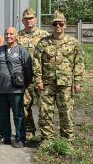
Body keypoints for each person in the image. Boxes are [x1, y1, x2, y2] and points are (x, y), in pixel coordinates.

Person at [34, 11, 85, 143]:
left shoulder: (73, 43)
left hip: (65, 84)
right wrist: (38, 80)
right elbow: (36, 62)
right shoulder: (43, 43)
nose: (58, 26)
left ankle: (66, 141)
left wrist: (78, 82)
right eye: (55, 24)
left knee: (66, 113)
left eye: (60, 24)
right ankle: (47, 140)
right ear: (51, 26)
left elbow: (78, 63)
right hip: (47, 84)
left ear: (65, 25)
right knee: (45, 113)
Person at [0, 27, 32, 147]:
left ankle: (20, 138)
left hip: (15, 89)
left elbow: (28, 71)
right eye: (6, 34)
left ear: (16, 36)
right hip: (1, 88)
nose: (8, 36)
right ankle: (5, 137)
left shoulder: (22, 50)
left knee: (18, 114)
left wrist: (23, 85)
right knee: (3, 114)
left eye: (11, 34)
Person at [18, 7, 49, 141]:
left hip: (41, 76)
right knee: (25, 105)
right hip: (25, 76)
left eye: (31, 18)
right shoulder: (18, 36)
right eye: (26, 18)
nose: (28, 21)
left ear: (35, 19)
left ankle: (46, 133)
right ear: (22, 20)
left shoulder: (44, 35)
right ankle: (29, 130)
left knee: (45, 105)